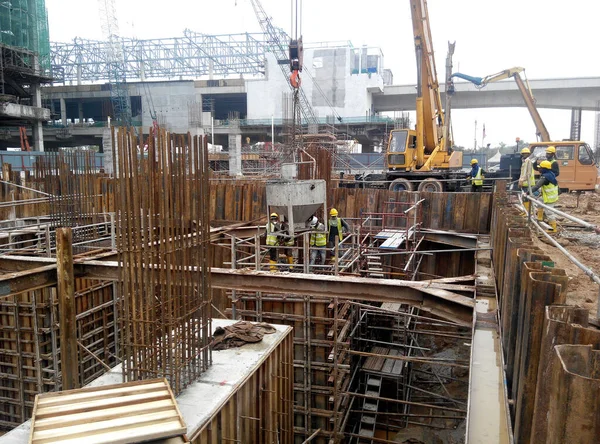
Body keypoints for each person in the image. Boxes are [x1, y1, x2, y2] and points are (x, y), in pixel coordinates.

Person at [530, 160, 559, 232]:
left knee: (549, 213)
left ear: (545, 169)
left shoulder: (545, 177)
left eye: (540, 168)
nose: (539, 169)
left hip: (550, 198)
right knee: (539, 201)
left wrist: (528, 192)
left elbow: (537, 186)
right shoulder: (550, 174)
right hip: (548, 195)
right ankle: (539, 217)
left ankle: (553, 228)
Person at [518, 147, 536, 213]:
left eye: (526, 154)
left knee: (526, 198)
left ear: (528, 154)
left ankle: (528, 213)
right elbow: (523, 173)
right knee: (524, 198)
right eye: (523, 154)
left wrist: (521, 180)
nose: (524, 155)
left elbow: (528, 174)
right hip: (524, 183)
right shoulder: (524, 162)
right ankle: (526, 212)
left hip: (528, 183)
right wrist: (521, 180)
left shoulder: (529, 161)